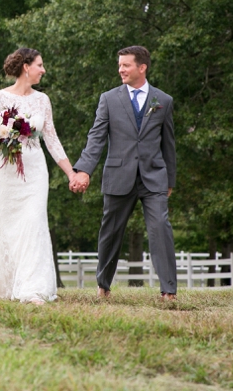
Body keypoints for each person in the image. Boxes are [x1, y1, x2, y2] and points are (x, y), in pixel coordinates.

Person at [0, 48, 75, 305]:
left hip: (35, 171)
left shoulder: (42, 100)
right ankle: (3, 284)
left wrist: (71, 172)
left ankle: (32, 288)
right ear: (26, 67)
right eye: (40, 65)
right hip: (6, 171)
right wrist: (3, 136)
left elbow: (52, 139)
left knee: (34, 222)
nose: (43, 70)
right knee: (3, 224)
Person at [72, 46, 178, 300]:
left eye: (126, 65)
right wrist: (84, 169)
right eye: (120, 65)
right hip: (119, 176)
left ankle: (168, 291)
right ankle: (103, 285)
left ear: (142, 67)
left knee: (160, 227)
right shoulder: (109, 99)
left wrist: (170, 180)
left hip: (154, 177)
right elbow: (96, 138)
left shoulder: (163, 100)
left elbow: (169, 144)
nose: (120, 69)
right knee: (111, 231)